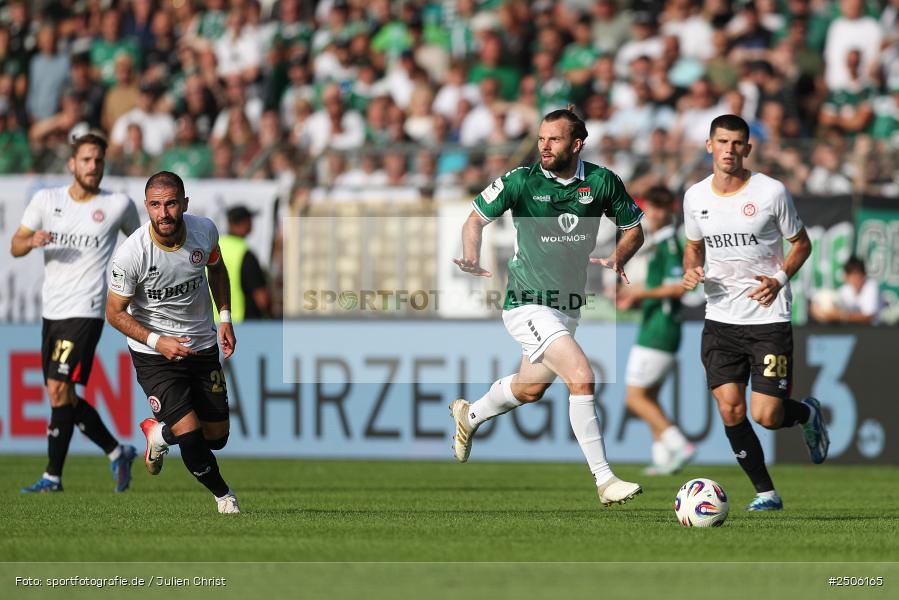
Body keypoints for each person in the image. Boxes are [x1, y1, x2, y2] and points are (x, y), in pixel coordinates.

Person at [450, 107, 645, 507]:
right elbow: (474, 219)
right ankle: (605, 481)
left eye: (553, 139)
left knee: (530, 388)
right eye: (541, 138)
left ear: (576, 144)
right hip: (526, 302)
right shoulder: (521, 181)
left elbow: (634, 229)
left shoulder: (601, 182)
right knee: (582, 376)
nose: (544, 146)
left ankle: (470, 415)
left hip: (567, 306)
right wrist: (471, 253)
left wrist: (620, 256)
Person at [681, 114, 828, 511]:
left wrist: (779, 278)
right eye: (722, 142)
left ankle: (805, 414)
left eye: (737, 143)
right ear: (709, 145)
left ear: (748, 148)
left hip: (768, 318)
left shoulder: (771, 192)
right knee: (730, 408)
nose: (730, 150)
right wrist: (691, 268)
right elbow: (693, 247)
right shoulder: (695, 196)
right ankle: (766, 493)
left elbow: (801, 244)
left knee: (766, 415)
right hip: (720, 318)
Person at [10, 132, 140, 493]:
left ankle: (53, 476)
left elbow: (141, 245)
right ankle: (117, 451)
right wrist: (31, 240)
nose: (93, 166)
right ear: (72, 164)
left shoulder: (118, 205)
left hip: (88, 308)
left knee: (58, 388)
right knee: (61, 394)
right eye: (86, 159)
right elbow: (15, 245)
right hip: (52, 309)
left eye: (98, 160)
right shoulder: (46, 200)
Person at [105, 171, 241, 514]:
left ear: (184, 204)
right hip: (155, 355)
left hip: (202, 345)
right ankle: (224, 497)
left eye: (170, 203)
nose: (163, 213)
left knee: (217, 437)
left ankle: (160, 436)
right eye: (155, 205)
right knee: (192, 434)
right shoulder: (131, 254)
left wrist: (224, 318)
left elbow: (218, 269)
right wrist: (156, 340)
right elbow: (115, 313)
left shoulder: (203, 231)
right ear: (146, 207)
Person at [616, 186, 694, 476]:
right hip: (656, 326)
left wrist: (639, 296)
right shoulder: (658, 245)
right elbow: (655, 286)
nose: (655, 214)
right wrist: (633, 294)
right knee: (649, 396)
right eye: (651, 207)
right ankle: (662, 456)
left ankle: (680, 444)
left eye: (661, 208)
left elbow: (678, 287)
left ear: (671, 210)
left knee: (634, 398)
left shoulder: (670, 245)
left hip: (659, 330)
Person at [219, 205, 271, 321]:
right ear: (245, 222)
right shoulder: (245, 253)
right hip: (243, 323)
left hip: (216, 323)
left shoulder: (215, 247)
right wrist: (271, 317)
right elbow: (261, 297)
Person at [810, 256, 882, 325]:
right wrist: (818, 311)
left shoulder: (871, 287)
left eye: (857, 273)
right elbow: (824, 304)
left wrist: (839, 316)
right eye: (850, 274)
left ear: (864, 274)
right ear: (846, 277)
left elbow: (869, 317)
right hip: (855, 332)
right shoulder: (846, 290)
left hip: (876, 333)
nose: (854, 278)